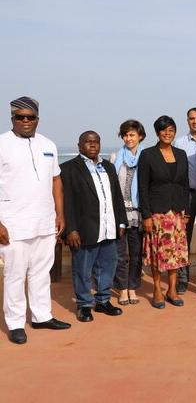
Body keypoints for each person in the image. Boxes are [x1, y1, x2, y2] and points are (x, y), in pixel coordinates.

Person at [0, 96, 71, 344]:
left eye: (30, 117)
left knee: (41, 272)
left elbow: (56, 180)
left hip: (45, 221)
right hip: (13, 224)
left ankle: (42, 316)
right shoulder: (2, 144)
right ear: (12, 119)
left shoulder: (48, 144)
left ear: (37, 120)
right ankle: (15, 323)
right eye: (20, 117)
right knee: (15, 275)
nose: (25, 121)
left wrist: (60, 214)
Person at [61, 131, 128, 322]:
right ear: (79, 145)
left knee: (107, 266)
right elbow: (66, 202)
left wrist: (121, 221)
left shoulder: (108, 166)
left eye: (96, 142)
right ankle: (84, 305)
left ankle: (103, 301)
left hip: (109, 227)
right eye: (88, 142)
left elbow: (117, 196)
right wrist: (70, 229)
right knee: (82, 269)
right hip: (84, 230)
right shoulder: (68, 168)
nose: (92, 145)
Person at [138, 116, 190, 309]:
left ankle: (172, 290)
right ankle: (157, 290)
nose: (167, 133)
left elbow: (185, 185)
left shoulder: (181, 154)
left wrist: (186, 210)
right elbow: (142, 187)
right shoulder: (148, 155)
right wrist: (146, 215)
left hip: (177, 214)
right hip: (157, 214)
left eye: (171, 130)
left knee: (175, 254)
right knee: (158, 254)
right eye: (163, 130)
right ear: (157, 132)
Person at [173, 107, 196, 295]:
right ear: (187, 121)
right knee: (183, 240)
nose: (195, 121)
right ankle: (183, 279)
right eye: (191, 118)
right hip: (186, 196)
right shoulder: (179, 143)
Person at [111, 119, 146, 306]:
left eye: (132, 134)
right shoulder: (115, 157)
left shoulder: (146, 156)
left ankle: (133, 287)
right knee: (119, 254)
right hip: (120, 212)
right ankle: (122, 288)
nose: (128, 138)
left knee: (136, 253)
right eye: (125, 135)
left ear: (140, 136)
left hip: (139, 213)